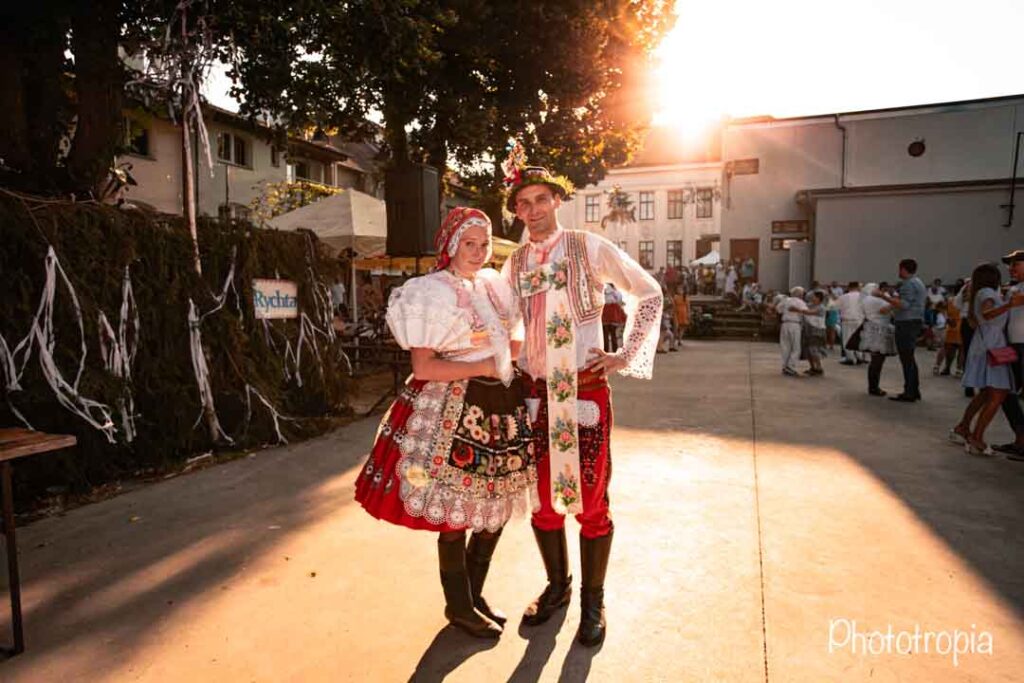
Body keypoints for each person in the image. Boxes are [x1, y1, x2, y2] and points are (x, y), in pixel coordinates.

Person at [354, 207, 539, 639]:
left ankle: (474, 595)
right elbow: (423, 368)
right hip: (450, 406)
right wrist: (485, 367)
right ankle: (458, 606)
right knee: (456, 514)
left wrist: (525, 350)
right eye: (469, 244)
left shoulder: (494, 287)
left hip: (499, 405)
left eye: (483, 244)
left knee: (493, 506)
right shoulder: (430, 292)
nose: (477, 253)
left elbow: (510, 342)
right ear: (452, 245)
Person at [501, 157, 662, 648]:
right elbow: (507, 325)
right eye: (523, 203)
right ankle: (558, 586)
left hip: (585, 391)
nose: (532, 210)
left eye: (540, 199)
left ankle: (594, 600)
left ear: (557, 200)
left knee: (592, 503)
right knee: (544, 503)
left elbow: (648, 292)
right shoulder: (514, 263)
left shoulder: (588, 247)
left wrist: (624, 355)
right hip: (536, 395)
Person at [950, 262, 1024, 456]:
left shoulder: (981, 292)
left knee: (985, 393)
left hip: (987, 343)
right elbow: (987, 313)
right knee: (998, 393)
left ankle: (964, 427)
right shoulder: (987, 294)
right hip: (993, 345)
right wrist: (1009, 304)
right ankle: (977, 437)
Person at [879, 258, 926, 402]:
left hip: (906, 322)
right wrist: (890, 307)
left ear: (903, 269)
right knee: (909, 358)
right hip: (914, 321)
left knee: (906, 358)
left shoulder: (908, 284)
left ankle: (909, 392)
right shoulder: (918, 282)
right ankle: (913, 389)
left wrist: (883, 296)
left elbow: (904, 304)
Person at [994, 250, 1024, 461]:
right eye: (1010, 265)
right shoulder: (1014, 289)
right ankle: (1020, 439)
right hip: (1010, 346)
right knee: (1003, 391)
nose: (1011, 269)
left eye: (1016, 264)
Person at [777, 286, 808, 376]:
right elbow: (806, 313)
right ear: (800, 295)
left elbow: (778, 310)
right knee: (796, 347)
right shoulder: (800, 302)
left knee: (785, 346)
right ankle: (791, 366)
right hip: (795, 324)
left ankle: (785, 365)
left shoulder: (785, 300)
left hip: (785, 323)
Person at [799, 289, 827, 375]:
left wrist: (796, 309)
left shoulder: (821, 307)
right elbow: (804, 307)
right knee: (808, 350)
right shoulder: (810, 305)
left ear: (819, 298)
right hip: (808, 329)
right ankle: (812, 367)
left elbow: (810, 312)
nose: (812, 298)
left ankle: (818, 367)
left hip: (817, 330)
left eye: (814, 297)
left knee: (813, 349)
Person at [838, 282, 867, 365]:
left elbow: (835, 307)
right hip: (859, 320)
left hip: (847, 320)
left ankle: (850, 358)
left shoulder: (843, 297)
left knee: (847, 339)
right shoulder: (863, 297)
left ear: (849, 287)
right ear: (857, 287)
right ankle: (859, 357)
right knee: (859, 339)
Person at [601, 283, 626, 353]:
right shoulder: (616, 292)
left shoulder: (602, 291)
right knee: (613, 334)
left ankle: (605, 352)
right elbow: (619, 299)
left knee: (605, 335)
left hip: (604, 315)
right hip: (613, 315)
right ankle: (615, 352)